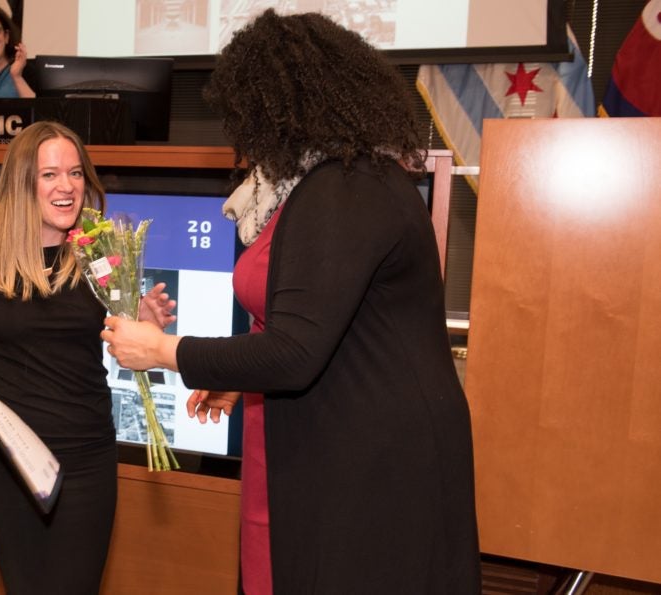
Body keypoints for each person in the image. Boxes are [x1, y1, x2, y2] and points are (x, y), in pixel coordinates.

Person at [101, 10, 482, 594]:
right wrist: (242, 375)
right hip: (329, 432)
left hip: (372, 458)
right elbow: (318, 326)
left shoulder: (344, 190)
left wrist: (162, 348)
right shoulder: (330, 182)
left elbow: (297, 351)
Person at [0, 120, 174, 594]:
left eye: (76, 173)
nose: (67, 187)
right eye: (50, 175)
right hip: (9, 456)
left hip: (86, 453)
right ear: (23, 182)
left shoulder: (98, 248)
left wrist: (143, 322)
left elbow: (129, 345)